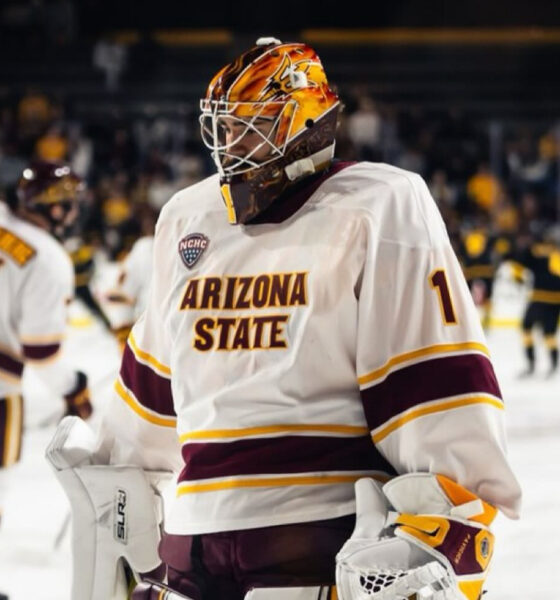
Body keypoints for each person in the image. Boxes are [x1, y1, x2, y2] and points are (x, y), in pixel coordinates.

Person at [53, 38, 521, 600]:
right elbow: (156, 384)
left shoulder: (379, 203)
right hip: (194, 539)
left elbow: (429, 383)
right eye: (224, 127)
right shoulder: (187, 215)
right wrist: (118, 489)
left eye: (251, 124)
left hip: (318, 534)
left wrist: (449, 523)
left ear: (304, 120)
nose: (230, 143)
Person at [0, 161, 93, 547]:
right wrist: (74, 388)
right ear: (53, 208)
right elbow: (41, 351)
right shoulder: (47, 256)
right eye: (67, 204)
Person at [507, 225, 560, 377]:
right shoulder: (556, 252)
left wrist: (518, 279)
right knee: (549, 333)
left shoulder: (533, 250)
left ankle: (531, 364)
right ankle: (553, 365)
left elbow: (517, 265)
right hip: (557, 299)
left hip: (539, 297)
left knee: (526, 327)